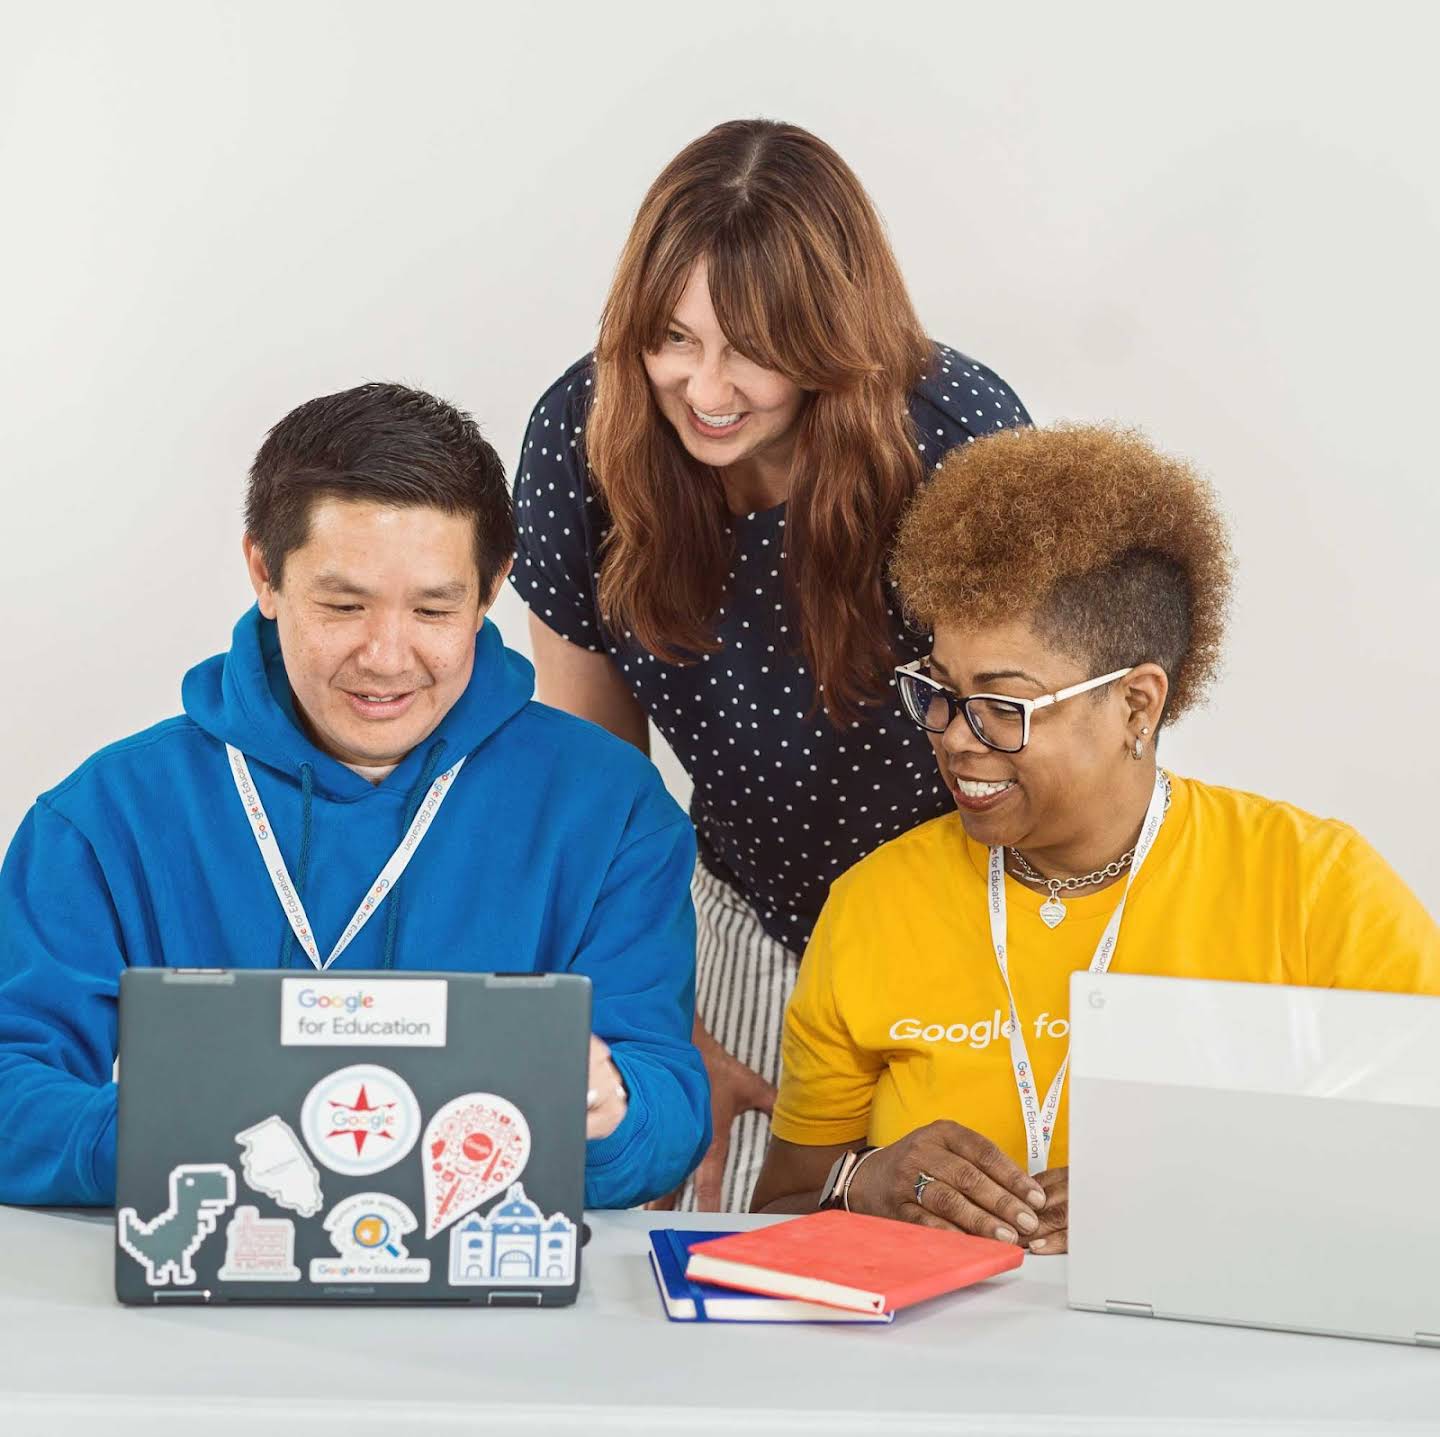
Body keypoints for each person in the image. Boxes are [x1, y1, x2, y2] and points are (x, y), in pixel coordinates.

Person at [0, 382, 709, 1209]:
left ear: (491, 590)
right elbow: (13, 1077)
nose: (385, 657)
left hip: (495, 1308)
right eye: (343, 604)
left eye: (435, 609)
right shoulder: (104, 815)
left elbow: (664, 1103)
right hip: (197, 1301)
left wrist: (604, 1105)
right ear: (265, 574)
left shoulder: (611, 807)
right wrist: (180, 1131)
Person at [751, 422, 1440, 1247]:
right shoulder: (873, 904)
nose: (956, 737)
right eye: (938, 691)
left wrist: (1196, 1196)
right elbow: (778, 1213)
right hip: (934, 1369)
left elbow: (1413, 1176)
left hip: (1220, 1364)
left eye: (1004, 705)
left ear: (1137, 707)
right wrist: (862, 1182)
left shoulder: (1314, 886)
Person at [510, 118, 1030, 1210]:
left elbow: (1034, 739)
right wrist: (656, 1014)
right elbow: (589, 777)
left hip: (954, 907)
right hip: (736, 908)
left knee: (947, 1270)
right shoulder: (584, 435)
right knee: (716, 1258)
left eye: (753, 346)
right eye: (674, 338)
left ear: (833, 333)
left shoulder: (956, 439)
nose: (707, 386)